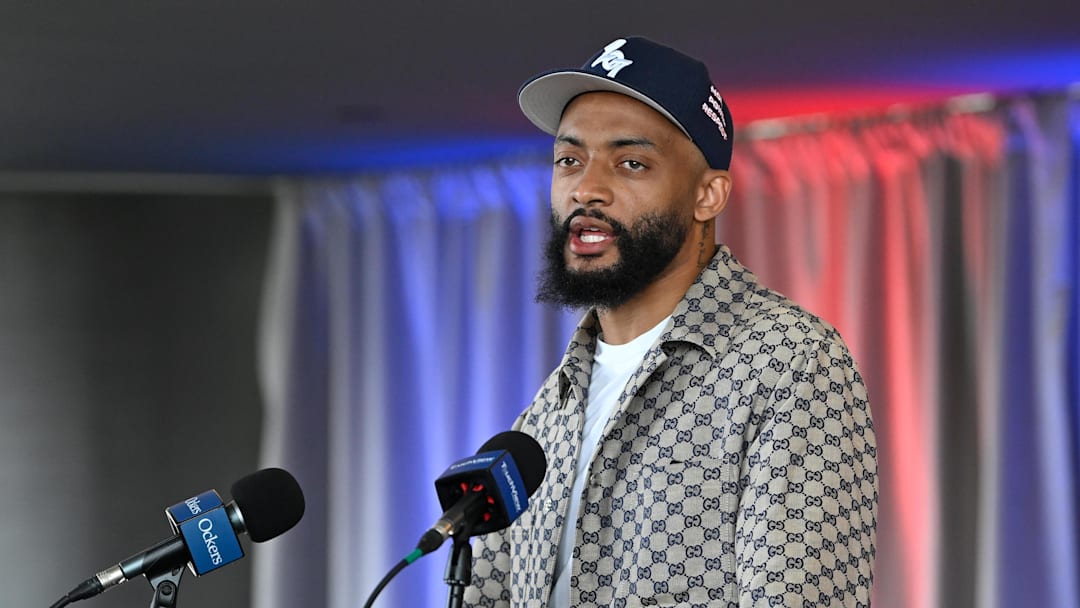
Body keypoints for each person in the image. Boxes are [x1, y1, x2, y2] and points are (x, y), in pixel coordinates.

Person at [465, 36, 877, 608]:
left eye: (631, 163)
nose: (587, 188)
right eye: (569, 160)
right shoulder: (545, 411)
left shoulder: (789, 363)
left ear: (707, 195)